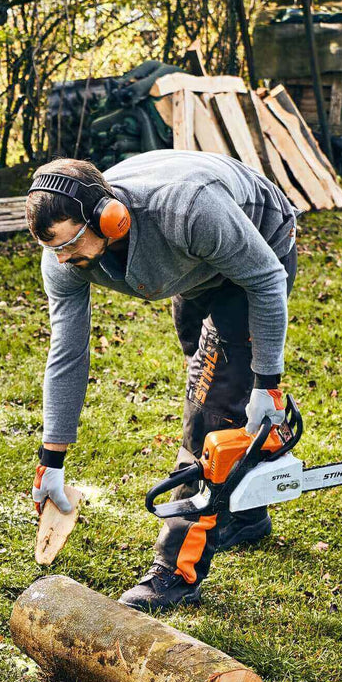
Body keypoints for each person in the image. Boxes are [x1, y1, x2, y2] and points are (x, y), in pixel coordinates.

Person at [26, 150, 298, 610]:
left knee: (211, 412)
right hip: (192, 272)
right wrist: (52, 457)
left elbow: (266, 279)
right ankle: (246, 514)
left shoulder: (188, 209)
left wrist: (266, 383)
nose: (64, 258)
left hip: (256, 251)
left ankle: (175, 571)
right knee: (211, 382)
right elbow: (68, 351)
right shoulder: (62, 258)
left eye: (69, 244)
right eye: (54, 249)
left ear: (109, 218)